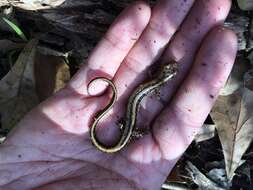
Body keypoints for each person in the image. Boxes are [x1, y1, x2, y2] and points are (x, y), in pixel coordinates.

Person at [0, 0, 237, 189]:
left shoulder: (156, 81)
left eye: (169, 71)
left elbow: (153, 81)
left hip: (128, 126)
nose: (170, 70)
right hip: (127, 124)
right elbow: (154, 85)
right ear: (166, 75)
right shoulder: (158, 85)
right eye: (169, 70)